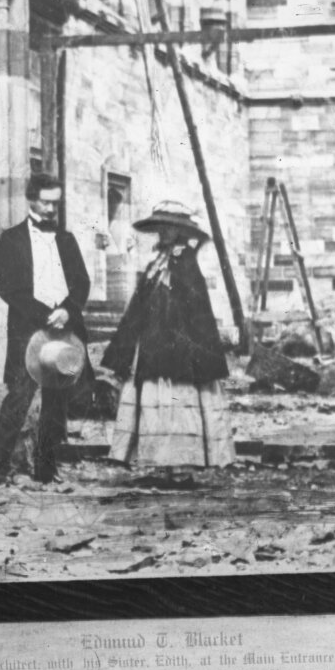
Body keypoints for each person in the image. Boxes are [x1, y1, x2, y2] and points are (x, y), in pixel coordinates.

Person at [101, 201, 236, 469]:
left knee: (179, 398)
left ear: (180, 231)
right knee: (153, 399)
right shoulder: (157, 261)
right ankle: (156, 461)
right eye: (161, 227)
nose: (163, 232)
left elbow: (195, 309)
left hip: (179, 348)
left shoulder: (186, 263)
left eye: (169, 227)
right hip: (151, 343)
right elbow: (140, 304)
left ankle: (181, 462)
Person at [0, 173, 92, 487]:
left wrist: (67, 311)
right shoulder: (12, 239)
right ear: (31, 200)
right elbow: (9, 288)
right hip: (28, 331)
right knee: (19, 397)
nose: (50, 209)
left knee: (56, 402)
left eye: (55, 204)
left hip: (63, 331)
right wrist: (47, 315)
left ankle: (46, 469)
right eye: (45, 202)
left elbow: (82, 282)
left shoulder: (67, 240)